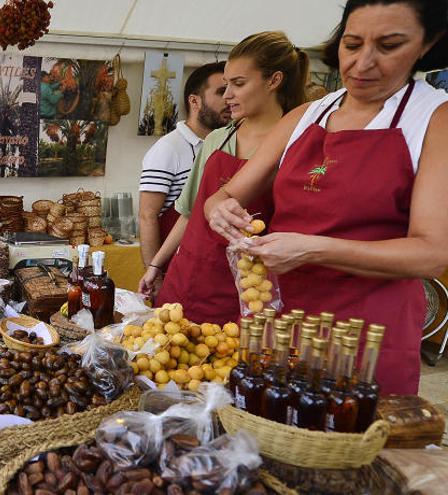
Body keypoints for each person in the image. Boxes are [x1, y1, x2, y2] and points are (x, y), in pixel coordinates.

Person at [205, 0, 448, 395]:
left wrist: (314, 250)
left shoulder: (434, 119)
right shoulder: (307, 115)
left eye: (389, 46)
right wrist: (219, 208)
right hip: (279, 322)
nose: (362, 63)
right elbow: (227, 193)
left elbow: (433, 253)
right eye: (352, 45)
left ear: (428, 43)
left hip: (365, 335)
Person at [140, 31, 309, 324]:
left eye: (238, 84)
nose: (228, 95)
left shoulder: (297, 146)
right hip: (187, 277)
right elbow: (189, 212)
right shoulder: (217, 139)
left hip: (247, 293)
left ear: (274, 81)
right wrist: (156, 264)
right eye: (226, 85)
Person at [138, 61, 229, 271]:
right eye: (221, 92)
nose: (229, 99)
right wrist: (156, 272)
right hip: (176, 264)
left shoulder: (227, 144)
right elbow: (147, 216)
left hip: (211, 262)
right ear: (194, 101)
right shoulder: (168, 149)